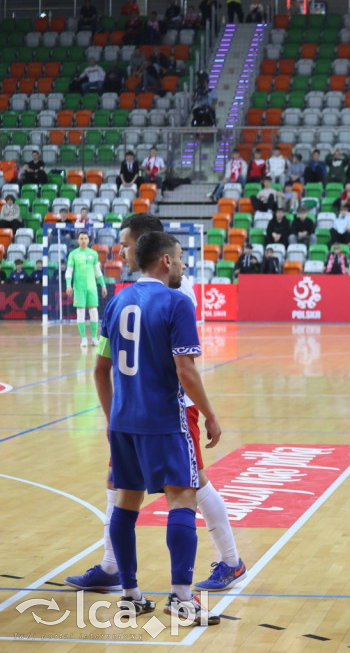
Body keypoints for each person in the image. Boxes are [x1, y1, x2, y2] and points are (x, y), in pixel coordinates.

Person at [65, 213, 246, 595]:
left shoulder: (170, 291)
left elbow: (171, 366)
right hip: (145, 409)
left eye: (128, 244)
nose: (123, 251)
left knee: (189, 485)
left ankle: (228, 562)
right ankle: (118, 569)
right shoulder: (148, 293)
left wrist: (117, 414)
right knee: (130, 485)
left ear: (150, 246)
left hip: (171, 407)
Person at [90, 230, 221, 624]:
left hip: (124, 422)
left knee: (126, 507)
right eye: (179, 258)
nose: (182, 264)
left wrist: (115, 418)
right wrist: (211, 414)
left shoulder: (115, 302)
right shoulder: (176, 302)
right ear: (165, 261)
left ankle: (130, 595)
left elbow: (100, 371)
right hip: (164, 419)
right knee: (182, 500)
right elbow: (186, 370)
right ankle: (182, 597)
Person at [65, 232, 107, 348]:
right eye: (81, 238)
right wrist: (68, 285)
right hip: (79, 288)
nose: (83, 240)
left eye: (85, 238)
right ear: (78, 240)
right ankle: (83, 338)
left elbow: (97, 271)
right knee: (80, 312)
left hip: (92, 287)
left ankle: (94, 338)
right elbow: (69, 271)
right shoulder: (73, 254)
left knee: (94, 312)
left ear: (89, 240)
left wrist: (103, 285)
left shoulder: (93, 254)